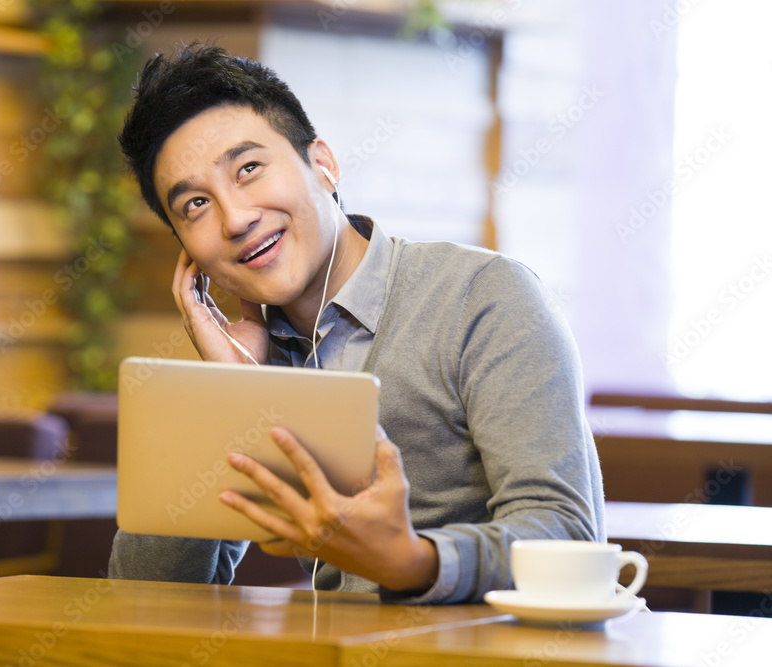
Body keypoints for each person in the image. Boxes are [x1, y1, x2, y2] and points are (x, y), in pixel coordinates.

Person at [108, 42, 604, 603]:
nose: (236, 219)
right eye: (194, 205)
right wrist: (230, 391)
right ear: (186, 253)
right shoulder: (263, 358)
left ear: (323, 165)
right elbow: (143, 593)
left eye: (248, 169)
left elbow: (567, 535)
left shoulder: (483, 296)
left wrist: (414, 563)